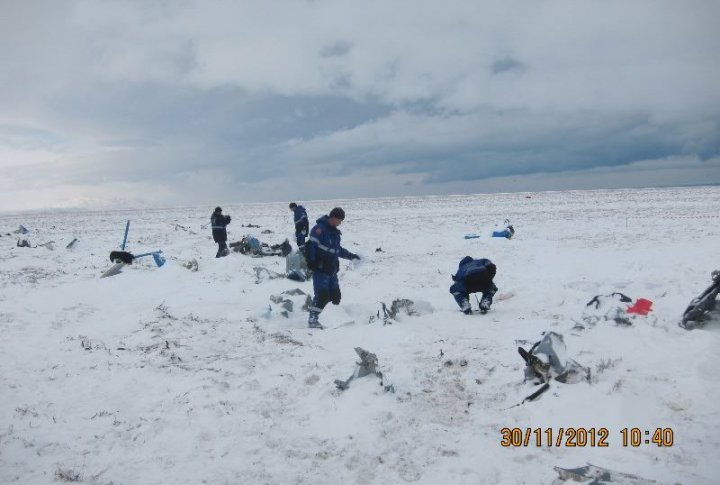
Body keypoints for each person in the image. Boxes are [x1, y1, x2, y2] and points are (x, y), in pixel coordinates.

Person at [305, 207, 360, 329]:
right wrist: (312, 263)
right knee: (322, 296)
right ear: (334, 218)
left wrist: (351, 256)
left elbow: (337, 250)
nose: (340, 223)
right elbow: (310, 246)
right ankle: (313, 319)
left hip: (332, 270)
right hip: (321, 269)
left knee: (335, 297)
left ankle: (332, 320)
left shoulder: (335, 233)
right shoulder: (319, 229)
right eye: (340, 220)